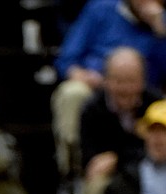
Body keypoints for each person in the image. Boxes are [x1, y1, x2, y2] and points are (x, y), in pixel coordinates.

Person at [51, 0, 166, 178]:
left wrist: (160, 29)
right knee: (72, 93)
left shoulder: (162, 22)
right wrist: (83, 76)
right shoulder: (100, 9)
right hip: (96, 88)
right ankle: (74, 173)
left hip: (145, 96)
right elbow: (65, 60)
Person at [77, 46, 163, 194]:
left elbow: (159, 151)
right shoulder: (91, 110)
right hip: (113, 176)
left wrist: (117, 157)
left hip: (152, 170)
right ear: (105, 80)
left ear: (143, 81)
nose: (125, 89)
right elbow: (91, 159)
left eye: (131, 81)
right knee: (97, 185)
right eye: (118, 81)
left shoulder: (155, 104)